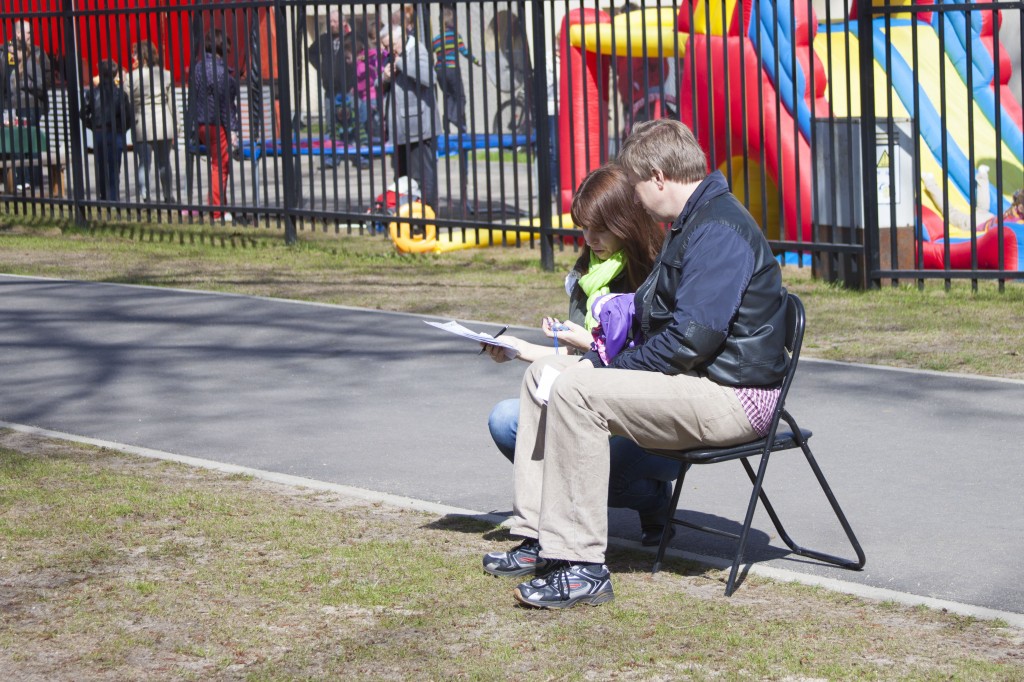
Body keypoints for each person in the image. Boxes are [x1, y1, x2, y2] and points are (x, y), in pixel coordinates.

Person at [482, 119, 789, 609]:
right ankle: (539, 535)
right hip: (695, 381)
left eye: (637, 185)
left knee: (577, 392)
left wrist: (605, 368)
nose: (637, 199)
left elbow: (689, 340)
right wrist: (594, 358)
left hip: (733, 395)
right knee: (543, 374)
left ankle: (582, 567)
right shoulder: (693, 222)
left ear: (659, 177)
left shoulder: (718, 229)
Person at [482, 164, 678, 547]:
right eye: (584, 227)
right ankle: (553, 526)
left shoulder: (659, 274)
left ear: (627, 222)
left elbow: (658, 359)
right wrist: (517, 350)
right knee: (505, 420)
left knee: (597, 467)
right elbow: (574, 355)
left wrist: (592, 344)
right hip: (586, 398)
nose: (590, 239)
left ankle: (654, 501)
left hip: (642, 411)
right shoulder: (587, 276)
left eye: (600, 228)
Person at [381, 6, 440, 211]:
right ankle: (407, 212)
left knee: (423, 175)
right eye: (385, 47)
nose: (388, 51)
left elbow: (429, 77)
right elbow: (380, 87)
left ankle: (429, 213)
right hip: (400, 130)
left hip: (420, 127)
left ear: (399, 40)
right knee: (403, 177)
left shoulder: (418, 50)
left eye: (389, 46)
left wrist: (401, 63)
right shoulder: (392, 55)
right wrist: (384, 77)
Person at [188, 28, 240, 221]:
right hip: (216, 124)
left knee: (217, 165)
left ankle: (219, 206)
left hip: (201, 124)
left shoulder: (198, 68)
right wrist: (232, 129)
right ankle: (217, 211)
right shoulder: (221, 73)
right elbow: (226, 107)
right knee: (221, 166)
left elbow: (193, 97)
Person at [127, 40, 176, 203]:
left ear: (142, 56)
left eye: (135, 53)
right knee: (164, 163)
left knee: (144, 163)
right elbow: (171, 103)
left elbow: (128, 101)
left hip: (142, 124)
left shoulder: (132, 77)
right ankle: (168, 195)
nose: (133, 56)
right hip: (164, 123)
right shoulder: (165, 74)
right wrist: (177, 125)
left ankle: (145, 195)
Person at [6, 21, 52, 193]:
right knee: (21, 141)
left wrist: (22, 84)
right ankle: (25, 178)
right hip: (16, 105)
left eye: (30, 33)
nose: (30, 36)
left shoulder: (35, 56)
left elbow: (42, 82)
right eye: (27, 33)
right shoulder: (8, 54)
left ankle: (30, 179)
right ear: (18, 34)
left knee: (28, 140)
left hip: (31, 104)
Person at [80, 59, 134, 202]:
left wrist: (92, 125)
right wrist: (122, 129)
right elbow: (128, 117)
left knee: (101, 165)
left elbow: (83, 113)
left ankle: (104, 195)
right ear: (115, 75)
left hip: (99, 132)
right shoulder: (120, 94)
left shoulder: (92, 93)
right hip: (115, 133)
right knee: (115, 166)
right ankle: (113, 196)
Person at [307, 9, 354, 168]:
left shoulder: (350, 38)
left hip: (349, 89)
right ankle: (332, 158)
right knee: (331, 125)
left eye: (335, 21)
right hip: (330, 90)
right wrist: (322, 69)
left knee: (351, 123)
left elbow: (363, 54)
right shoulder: (324, 39)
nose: (332, 24)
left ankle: (355, 156)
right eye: (330, 21)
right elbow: (311, 53)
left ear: (343, 22)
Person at [431, 4, 479, 134]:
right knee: (461, 97)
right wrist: (476, 61)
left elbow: (431, 52)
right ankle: (454, 118)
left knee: (448, 96)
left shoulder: (436, 39)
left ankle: (447, 120)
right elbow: (464, 52)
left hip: (440, 71)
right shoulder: (455, 36)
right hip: (452, 69)